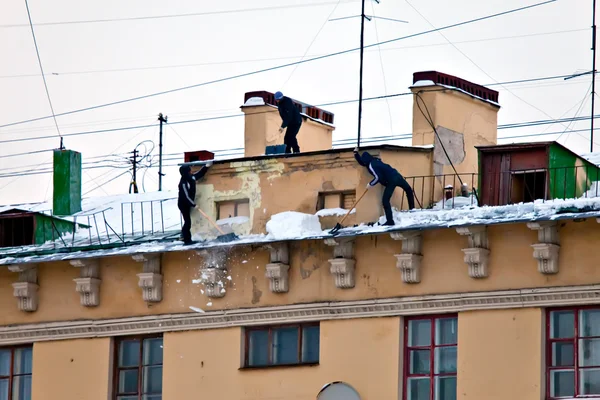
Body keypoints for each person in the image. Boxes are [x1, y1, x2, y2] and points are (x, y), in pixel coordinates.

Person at [353, 147, 415, 226]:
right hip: (397, 175)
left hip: (391, 180)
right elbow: (362, 162)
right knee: (408, 190)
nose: (364, 164)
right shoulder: (376, 161)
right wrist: (356, 153)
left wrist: (370, 184)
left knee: (385, 200)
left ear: (366, 161)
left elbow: (378, 177)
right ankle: (412, 209)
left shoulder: (372, 165)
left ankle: (390, 221)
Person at [178, 161, 213, 244]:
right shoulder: (183, 183)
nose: (191, 172)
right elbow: (185, 196)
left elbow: (199, 174)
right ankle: (186, 239)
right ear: (186, 172)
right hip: (183, 204)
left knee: (187, 221)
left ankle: (184, 236)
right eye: (189, 171)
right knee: (187, 221)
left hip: (188, 203)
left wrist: (206, 166)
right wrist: (193, 204)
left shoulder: (191, 178)